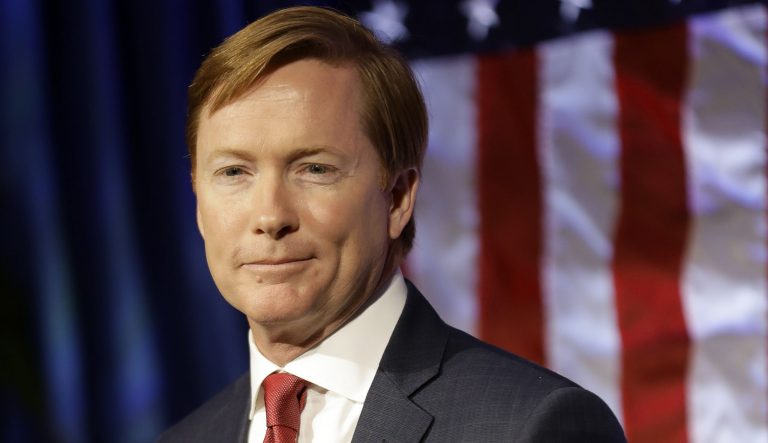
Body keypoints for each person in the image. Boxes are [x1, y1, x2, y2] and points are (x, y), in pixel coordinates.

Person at [159, 6, 626, 443]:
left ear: (398, 198)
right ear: (199, 203)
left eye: (314, 169)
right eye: (234, 173)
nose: (270, 217)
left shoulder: (532, 426)